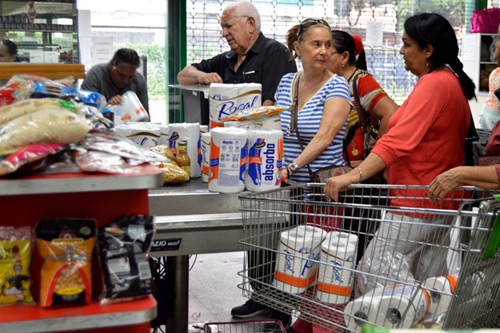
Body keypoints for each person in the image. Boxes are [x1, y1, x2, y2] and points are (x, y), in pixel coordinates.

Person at [324, 12, 476, 288]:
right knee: (429, 283)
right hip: (437, 201)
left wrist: (352, 176)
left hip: (416, 202)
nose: (401, 50)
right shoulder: (447, 80)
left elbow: (397, 141)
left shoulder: (434, 84)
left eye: (407, 44)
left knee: (373, 273)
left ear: (428, 49)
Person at [274, 18, 352, 332]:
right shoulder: (286, 83)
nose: (323, 51)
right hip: (290, 192)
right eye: (315, 44)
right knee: (299, 265)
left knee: (328, 271)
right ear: (297, 48)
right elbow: (273, 126)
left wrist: (289, 167)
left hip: (323, 192)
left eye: (328, 45)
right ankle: (305, 324)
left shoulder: (337, 86)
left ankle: (325, 328)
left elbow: (324, 137)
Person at [176, 2, 296, 106]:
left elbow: (270, 106)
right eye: (222, 28)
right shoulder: (227, 59)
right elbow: (182, 76)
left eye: (229, 26)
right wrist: (201, 77)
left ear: (251, 24)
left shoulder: (275, 53)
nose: (224, 34)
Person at [328, 31, 398, 167]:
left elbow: (392, 113)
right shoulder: (328, 82)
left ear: (344, 57)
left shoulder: (361, 81)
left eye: (328, 53)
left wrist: (371, 161)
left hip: (354, 173)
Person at [81, 48, 149, 113]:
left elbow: (146, 119)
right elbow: (84, 111)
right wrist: (106, 108)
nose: (125, 81)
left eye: (131, 77)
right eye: (121, 75)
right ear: (111, 65)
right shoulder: (95, 75)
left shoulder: (139, 80)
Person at [479, 24, 500, 130]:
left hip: (486, 115)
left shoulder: (495, 72)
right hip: (495, 119)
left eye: (498, 39)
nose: (495, 44)